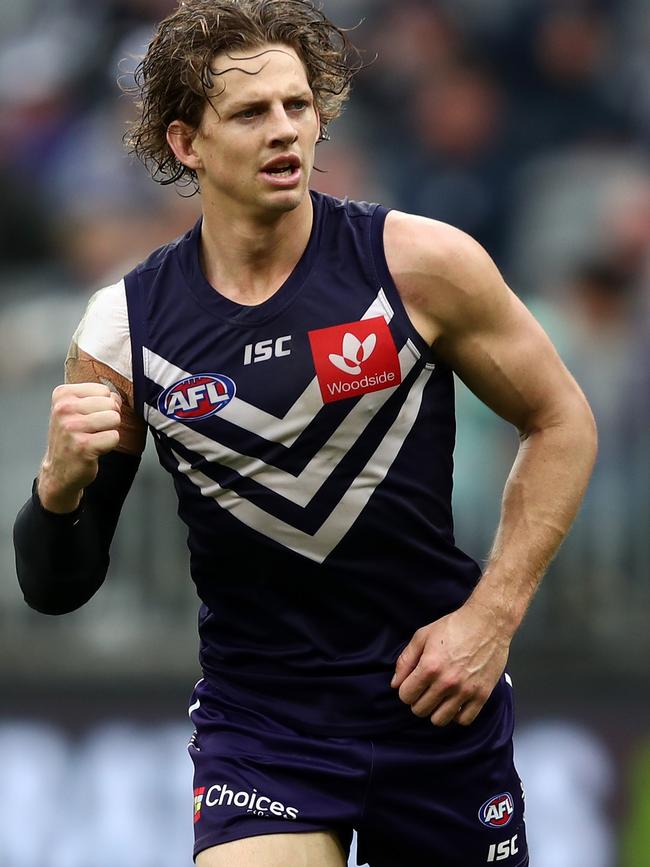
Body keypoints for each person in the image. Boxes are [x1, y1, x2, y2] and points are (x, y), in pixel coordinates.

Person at [13, 1, 597, 865]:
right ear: (186, 144)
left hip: (434, 699)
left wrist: (492, 615)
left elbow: (563, 421)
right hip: (265, 719)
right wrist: (57, 488)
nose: (285, 130)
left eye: (299, 105)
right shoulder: (122, 330)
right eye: (251, 113)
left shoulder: (419, 265)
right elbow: (56, 587)